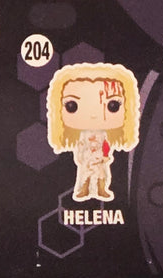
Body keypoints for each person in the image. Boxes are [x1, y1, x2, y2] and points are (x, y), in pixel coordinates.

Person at [46, 63, 141, 201]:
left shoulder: (103, 135)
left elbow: (106, 146)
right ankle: (84, 190)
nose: (93, 115)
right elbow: (80, 147)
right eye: (72, 106)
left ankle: (102, 190)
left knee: (102, 175)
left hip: (100, 159)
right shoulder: (83, 136)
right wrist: (82, 156)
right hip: (87, 159)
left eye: (113, 105)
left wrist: (105, 156)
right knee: (85, 175)